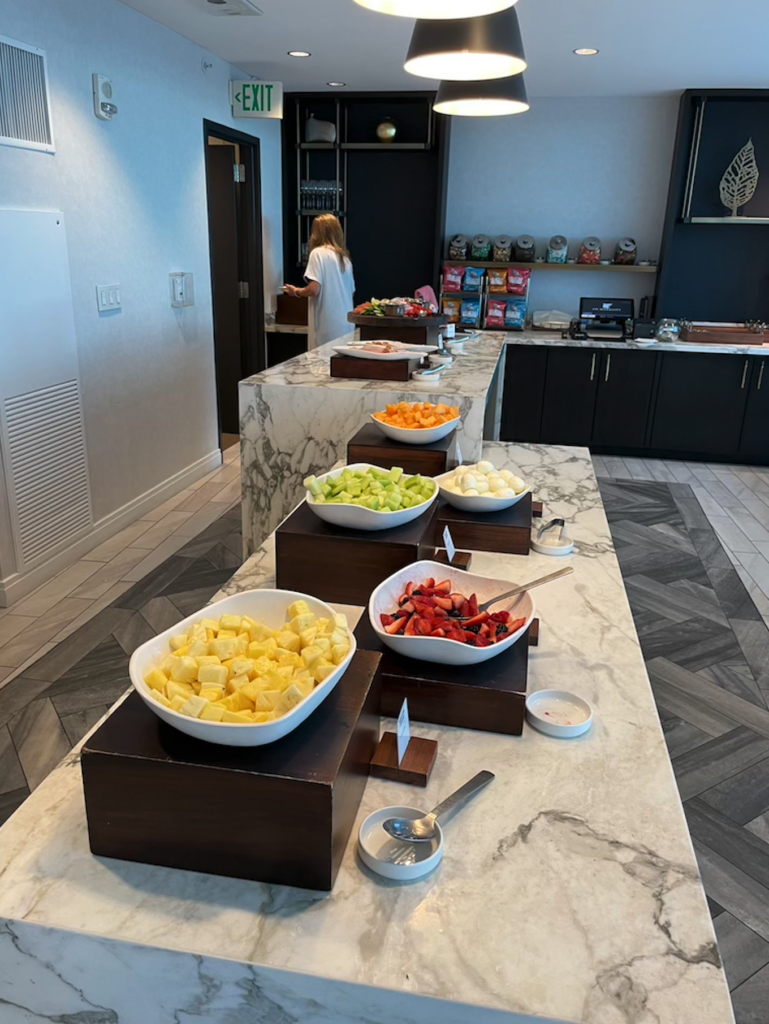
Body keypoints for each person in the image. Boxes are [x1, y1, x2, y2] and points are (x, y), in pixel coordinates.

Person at [283, 214, 355, 348]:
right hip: (346, 325)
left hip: (326, 326)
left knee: (320, 366)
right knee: (341, 366)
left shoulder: (317, 254)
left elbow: (314, 289)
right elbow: (350, 293)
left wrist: (296, 291)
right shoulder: (345, 258)